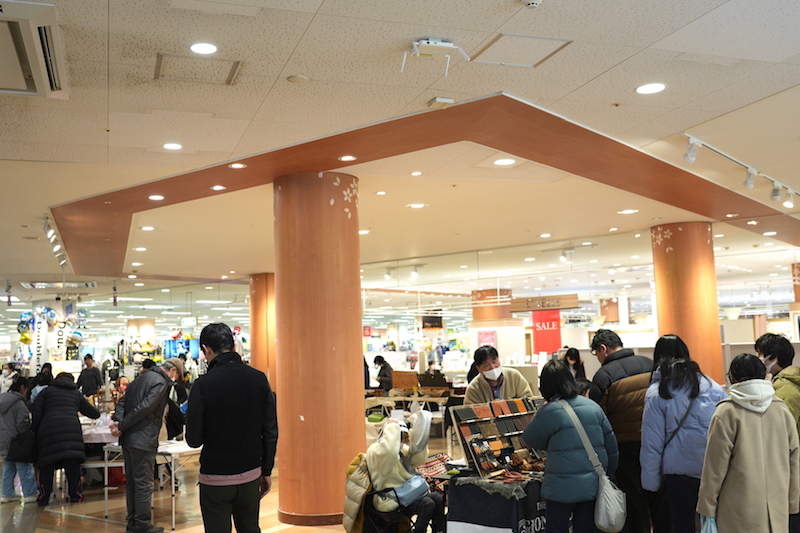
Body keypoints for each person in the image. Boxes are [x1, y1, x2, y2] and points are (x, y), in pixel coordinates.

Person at [186, 323, 278, 533]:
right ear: (234, 346)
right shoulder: (258, 379)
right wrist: (266, 470)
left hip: (215, 477)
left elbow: (194, 440)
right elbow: (270, 431)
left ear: (206, 349)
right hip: (250, 473)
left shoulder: (202, 385)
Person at [698, 353, 800, 532]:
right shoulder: (781, 409)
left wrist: (707, 507)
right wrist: (792, 503)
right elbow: (794, 460)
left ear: (733, 378)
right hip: (777, 510)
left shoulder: (726, 412)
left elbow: (715, 467)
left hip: (737, 510)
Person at [639, 335, 727, 533]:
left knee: (684, 526)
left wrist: (651, 482)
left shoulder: (657, 392)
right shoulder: (712, 386)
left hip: (679, 475)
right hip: (712, 469)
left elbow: (652, 442)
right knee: (714, 525)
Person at [588, 328, 670, 533]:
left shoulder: (603, 376)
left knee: (635, 503)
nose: (598, 358)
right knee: (660, 500)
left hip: (626, 448)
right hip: (657, 442)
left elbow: (598, 418)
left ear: (603, 349)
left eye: (596, 353)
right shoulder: (649, 364)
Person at [522, 360, 618, 533]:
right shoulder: (593, 407)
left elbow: (530, 440)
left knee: (556, 529)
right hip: (592, 485)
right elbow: (612, 448)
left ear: (545, 386)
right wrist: (607, 475)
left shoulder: (548, 411)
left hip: (560, 489)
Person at [111, 359, 181, 533]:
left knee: (132, 483)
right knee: (143, 484)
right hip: (143, 439)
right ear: (172, 370)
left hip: (128, 440)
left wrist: (118, 422)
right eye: (177, 376)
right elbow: (145, 408)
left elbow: (122, 402)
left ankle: (132, 522)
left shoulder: (140, 378)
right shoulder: (160, 382)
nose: (175, 381)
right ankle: (142, 524)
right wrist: (122, 425)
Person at [31, 372, 100, 504]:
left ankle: (44, 497)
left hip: (48, 431)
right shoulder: (75, 393)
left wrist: (34, 429)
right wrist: (97, 413)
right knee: (72, 465)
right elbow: (92, 412)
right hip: (71, 431)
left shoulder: (46, 392)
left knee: (46, 466)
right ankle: (75, 496)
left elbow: (36, 412)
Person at [366, 419, 445, 533]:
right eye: (398, 436)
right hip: (388, 499)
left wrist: (417, 439)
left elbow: (417, 460)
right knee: (427, 503)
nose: (401, 440)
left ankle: (439, 530)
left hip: (405, 494)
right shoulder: (376, 451)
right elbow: (389, 453)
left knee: (437, 498)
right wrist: (392, 426)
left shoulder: (400, 449)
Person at [0, 377, 37, 503]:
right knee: (24, 467)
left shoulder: (2, 399)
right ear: (22, 388)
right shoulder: (19, 402)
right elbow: (22, 423)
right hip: (17, 440)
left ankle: (6, 494)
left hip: (3, 439)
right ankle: (30, 494)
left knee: (9, 467)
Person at [465, 345, 532, 404]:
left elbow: (529, 400)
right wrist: (490, 408)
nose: (492, 367)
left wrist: (512, 404)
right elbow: (470, 410)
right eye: (486, 365)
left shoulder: (514, 376)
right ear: (479, 369)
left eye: (494, 362)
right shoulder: (474, 388)